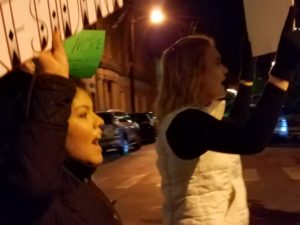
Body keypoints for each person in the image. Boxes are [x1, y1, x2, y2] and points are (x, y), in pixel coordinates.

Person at [155, 7, 300, 225]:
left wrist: (246, 75)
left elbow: (237, 124)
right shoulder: (184, 123)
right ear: (194, 73)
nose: (224, 70)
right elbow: (251, 140)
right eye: (216, 62)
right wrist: (282, 72)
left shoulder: (192, 119)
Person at [0, 32, 122, 225]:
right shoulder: (30, 196)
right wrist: (52, 84)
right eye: (83, 114)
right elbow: (34, 180)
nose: (99, 120)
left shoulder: (75, 179)